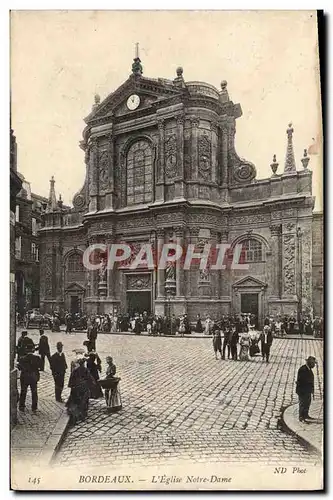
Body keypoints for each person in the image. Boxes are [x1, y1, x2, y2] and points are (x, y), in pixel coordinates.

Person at [66, 358, 95, 425]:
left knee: (77, 401)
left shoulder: (75, 370)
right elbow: (89, 378)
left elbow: (71, 379)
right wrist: (92, 384)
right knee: (84, 401)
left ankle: (77, 415)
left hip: (77, 388)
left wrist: (71, 386)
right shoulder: (85, 370)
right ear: (83, 364)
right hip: (84, 388)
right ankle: (83, 414)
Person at [18, 344, 42, 412]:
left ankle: (21, 406)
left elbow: (19, 368)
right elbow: (40, 367)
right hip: (33, 377)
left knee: (23, 391)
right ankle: (34, 407)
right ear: (33, 350)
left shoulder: (22, 358)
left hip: (24, 377)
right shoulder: (37, 358)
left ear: (26, 350)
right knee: (34, 392)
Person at [296, 356, 316, 422]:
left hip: (307, 390)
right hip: (303, 391)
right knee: (302, 404)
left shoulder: (309, 369)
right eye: (313, 363)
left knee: (307, 403)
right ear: (309, 363)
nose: (314, 365)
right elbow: (301, 381)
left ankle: (306, 415)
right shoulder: (303, 369)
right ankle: (301, 417)